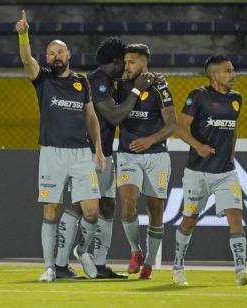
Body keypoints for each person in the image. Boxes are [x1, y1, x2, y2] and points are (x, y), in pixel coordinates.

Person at [15, 10, 106, 282]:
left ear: (69, 56)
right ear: (47, 59)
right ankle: (49, 267)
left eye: (60, 52)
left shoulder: (81, 82)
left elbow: (91, 117)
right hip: (52, 152)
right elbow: (25, 59)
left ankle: (82, 250)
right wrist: (23, 35)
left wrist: (98, 149)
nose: (55, 56)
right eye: (51, 53)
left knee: (92, 210)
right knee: (51, 209)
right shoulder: (42, 78)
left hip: (81, 153)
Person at [54, 37, 156, 279]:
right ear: (115, 62)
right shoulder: (96, 82)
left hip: (106, 154)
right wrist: (136, 89)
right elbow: (114, 116)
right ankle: (59, 264)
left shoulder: (112, 81)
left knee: (108, 206)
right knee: (81, 206)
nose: (127, 66)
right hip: (88, 153)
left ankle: (99, 265)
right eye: (125, 61)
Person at [172, 55, 247, 286]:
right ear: (213, 75)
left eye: (232, 70)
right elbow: (180, 127)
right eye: (227, 71)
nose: (233, 75)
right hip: (197, 172)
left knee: (235, 216)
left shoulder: (236, 99)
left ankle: (242, 271)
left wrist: (232, 151)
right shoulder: (197, 96)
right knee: (189, 219)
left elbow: (234, 128)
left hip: (225, 172)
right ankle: (178, 266)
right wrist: (198, 146)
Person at [116, 43, 177, 279]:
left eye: (132, 62)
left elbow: (172, 124)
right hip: (128, 155)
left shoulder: (160, 86)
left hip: (156, 156)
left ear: (144, 62)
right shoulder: (120, 86)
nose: (127, 66)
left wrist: (150, 139)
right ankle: (135, 251)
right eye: (125, 61)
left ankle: (150, 263)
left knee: (155, 210)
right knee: (128, 200)